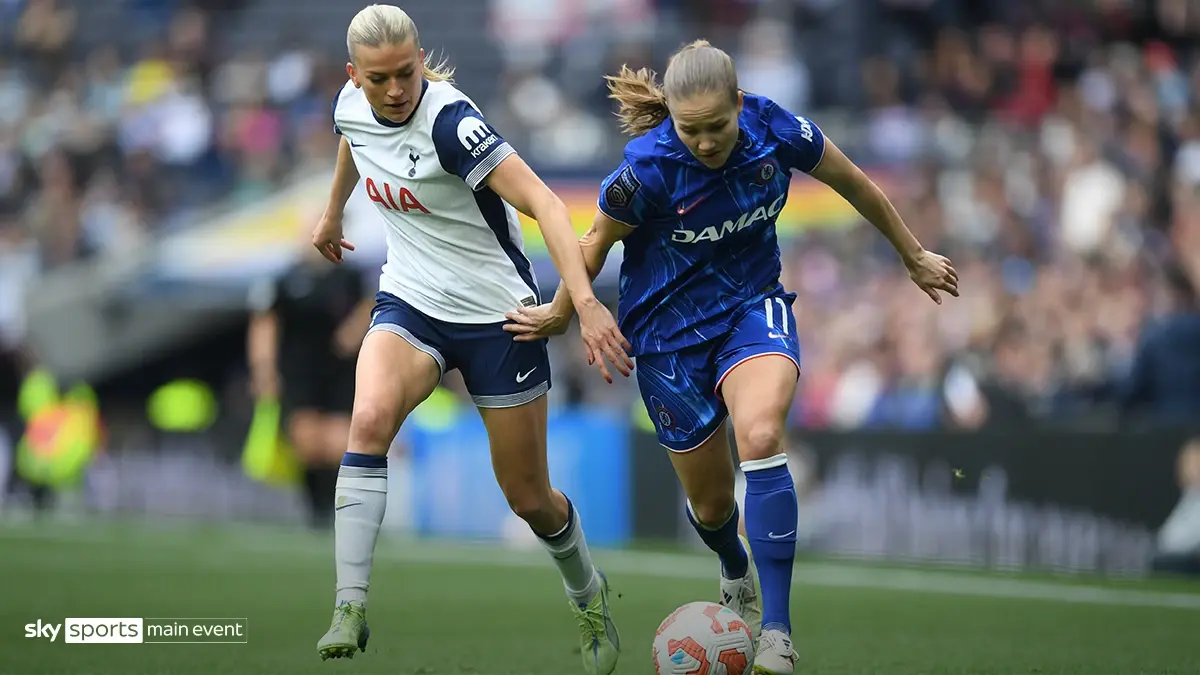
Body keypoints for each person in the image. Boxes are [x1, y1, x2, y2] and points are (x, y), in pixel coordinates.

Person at [505, 40, 958, 675]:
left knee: (763, 433)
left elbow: (855, 183)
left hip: (753, 308)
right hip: (666, 339)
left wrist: (912, 254)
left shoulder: (777, 132)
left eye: (717, 126)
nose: (706, 142)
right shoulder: (649, 169)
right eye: (690, 130)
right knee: (714, 507)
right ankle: (734, 567)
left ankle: (776, 631)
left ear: (740, 105)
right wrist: (568, 311)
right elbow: (591, 243)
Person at [311, 5, 630, 673]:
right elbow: (353, 135)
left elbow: (544, 202)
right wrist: (334, 208)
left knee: (528, 496)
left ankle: (589, 596)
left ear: (421, 59)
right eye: (379, 79)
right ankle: (348, 604)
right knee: (367, 418)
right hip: (413, 301)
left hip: (498, 318)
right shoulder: (351, 102)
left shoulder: (453, 125)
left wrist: (579, 303)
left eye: (406, 73)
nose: (396, 90)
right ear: (354, 76)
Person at [247, 226, 375, 531]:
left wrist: (353, 332)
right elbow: (265, 325)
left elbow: (371, 305)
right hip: (300, 372)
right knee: (307, 441)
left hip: (341, 370)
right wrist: (264, 370)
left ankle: (339, 511)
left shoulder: (350, 276)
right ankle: (315, 511)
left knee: (338, 442)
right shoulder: (286, 280)